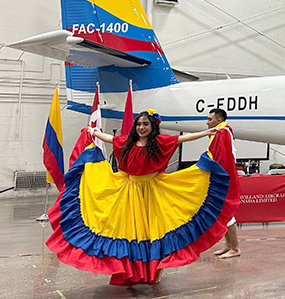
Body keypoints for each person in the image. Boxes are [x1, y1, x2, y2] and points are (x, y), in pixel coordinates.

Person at [46, 109, 239, 286]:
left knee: (155, 231)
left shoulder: (160, 142)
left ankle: (157, 268)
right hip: (129, 192)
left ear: (152, 126)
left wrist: (205, 134)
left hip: (154, 192)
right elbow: (109, 139)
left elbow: (183, 139)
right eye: (139, 124)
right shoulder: (127, 143)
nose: (142, 127)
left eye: (146, 124)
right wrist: (93, 132)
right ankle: (132, 269)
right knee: (131, 232)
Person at [206, 108, 241, 259]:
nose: (207, 122)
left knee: (227, 213)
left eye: (210, 119)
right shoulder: (219, 132)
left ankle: (235, 248)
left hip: (224, 179)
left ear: (218, 120)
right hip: (221, 177)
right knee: (222, 213)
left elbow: (224, 159)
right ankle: (228, 245)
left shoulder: (223, 133)